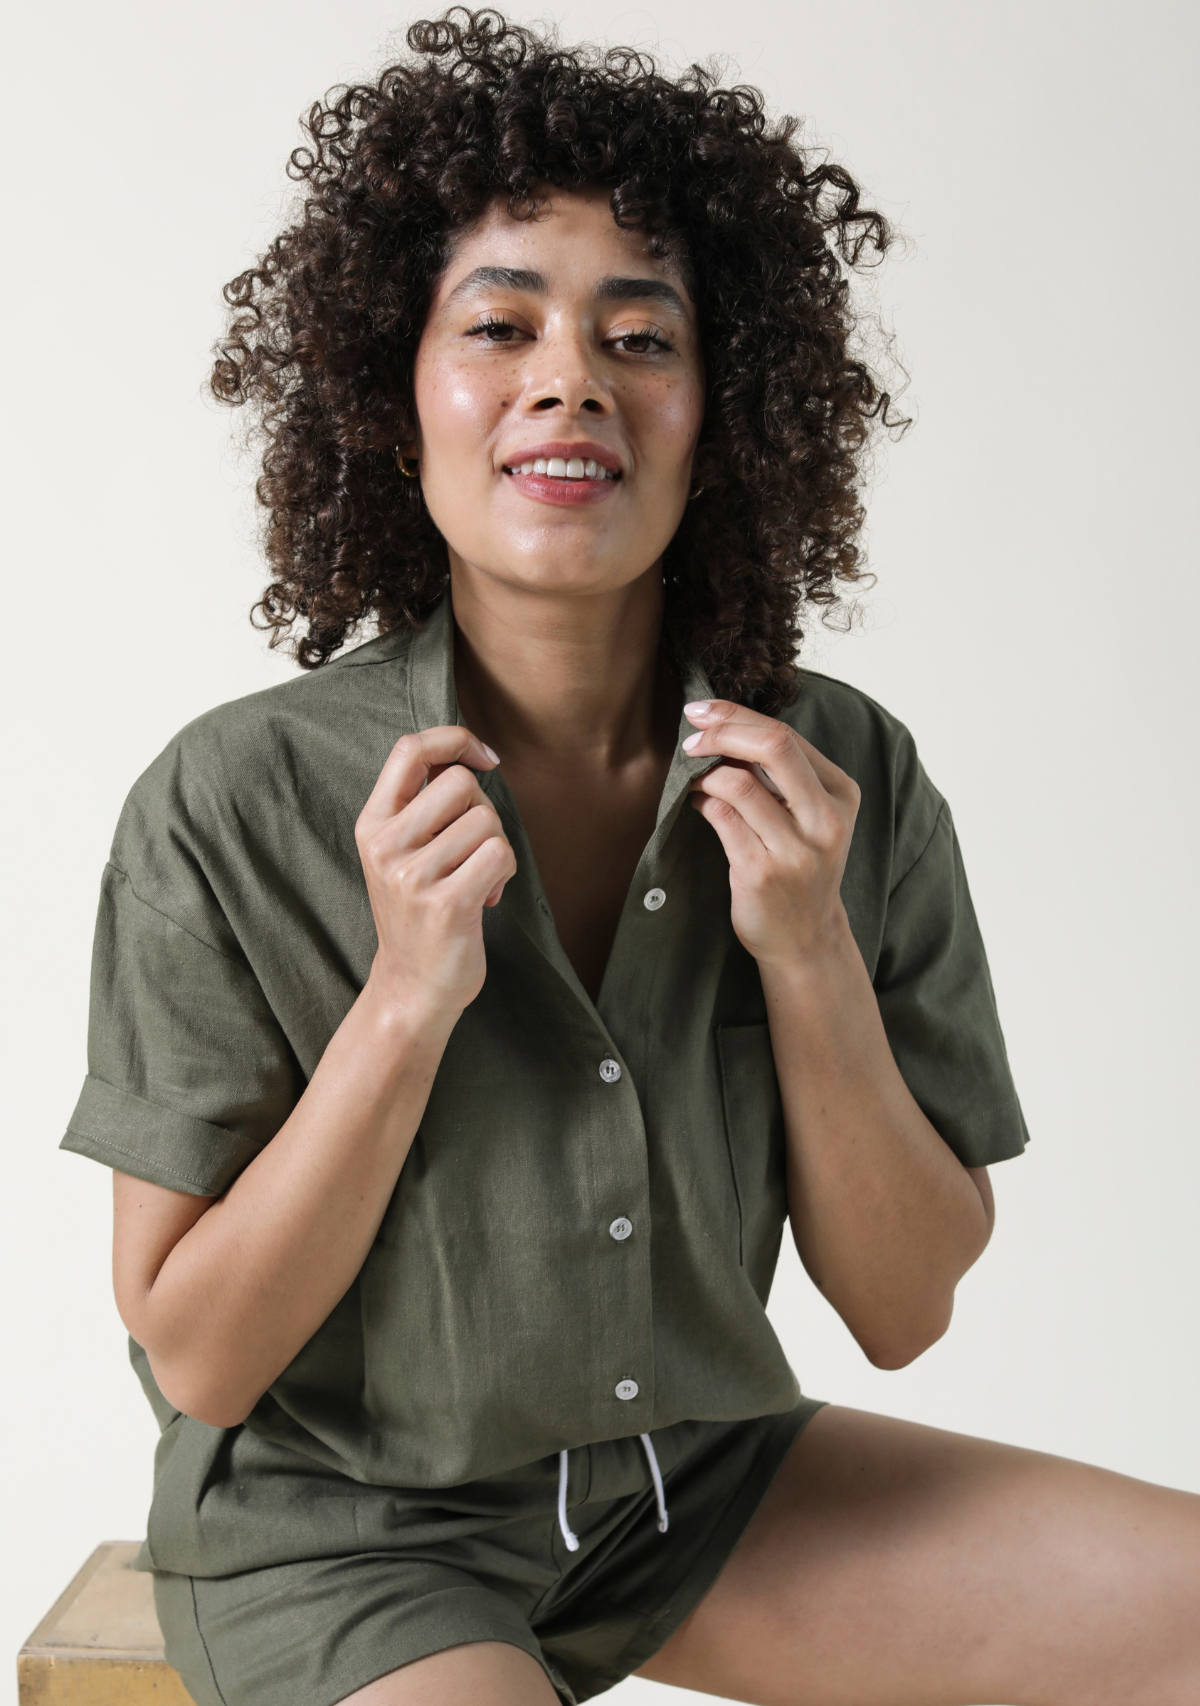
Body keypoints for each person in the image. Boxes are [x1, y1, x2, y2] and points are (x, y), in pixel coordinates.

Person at [61, 10, 1200, 1705]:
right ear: (400, 396)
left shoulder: (844, 773)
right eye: (500, 323)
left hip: (695, 1489)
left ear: (720, 409)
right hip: (352, 1536)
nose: (570, 375)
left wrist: (808, 949)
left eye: (641, 333)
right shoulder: (230, 803)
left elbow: (901, 1304)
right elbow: (207, 1354)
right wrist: (402, 1001)